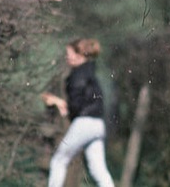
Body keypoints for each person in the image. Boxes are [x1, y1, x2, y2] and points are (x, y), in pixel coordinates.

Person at [42, 38, 116, 187]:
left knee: (58, 161)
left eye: (69, 53)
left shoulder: (76, 75)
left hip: (84, 123)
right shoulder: (91, 73)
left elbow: (75, 107)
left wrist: (58, 102)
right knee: (99, 171)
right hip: (98, 125)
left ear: (79, 55)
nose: (67, 56)